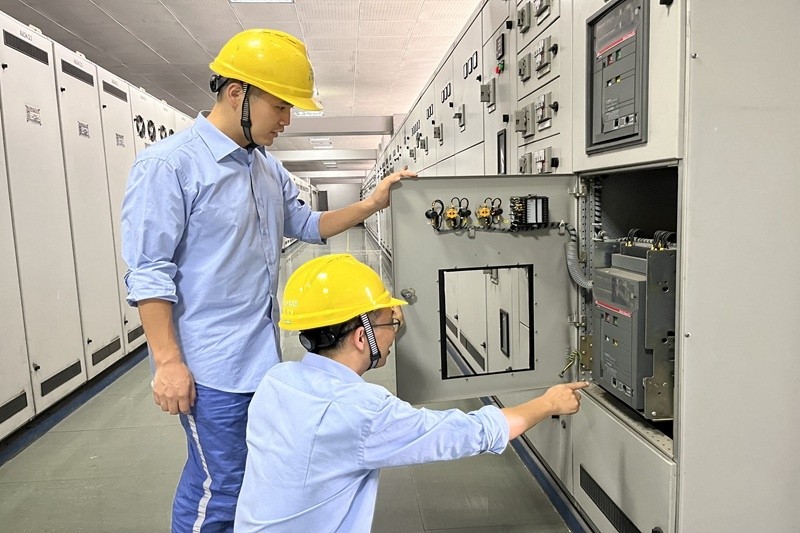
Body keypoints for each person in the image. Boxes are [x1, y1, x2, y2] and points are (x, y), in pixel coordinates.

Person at [120, 29, 415, 532]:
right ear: (237, 93)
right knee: (221, 483)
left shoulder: (265, 169)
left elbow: (307, 225)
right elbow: (150, 273)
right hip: (210, 366)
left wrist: (371, 203)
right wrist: (168, 363)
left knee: (254, 476)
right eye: (280, 106)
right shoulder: (169, 166)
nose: (286, 120)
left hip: (260, 357)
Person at [234, 253, 589, 532]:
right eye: (390, 323)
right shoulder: (360, 413)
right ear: (361, 338)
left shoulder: (277, 380)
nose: (395, 331)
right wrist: (548, 403)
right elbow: (469, 434)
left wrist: (386, 321)